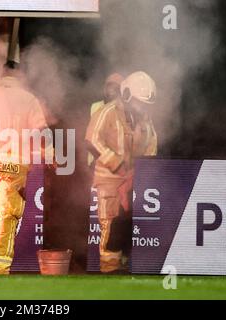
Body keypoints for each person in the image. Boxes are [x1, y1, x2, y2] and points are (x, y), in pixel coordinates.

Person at [0, 62, 48, 275]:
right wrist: (50, 154)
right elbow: (41, 130)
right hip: (14, 166)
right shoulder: (27, 98)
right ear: (19, 77)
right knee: (8, 216)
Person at [85, 71, 158, 273]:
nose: (142, 107)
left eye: (145, 104)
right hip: (109, 180)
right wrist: (117, 164)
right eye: (139, 102)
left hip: (132, 180)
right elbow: (92, 141)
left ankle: (123, 265)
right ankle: (108, 268)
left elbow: (151, 144)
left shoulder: (144, 119)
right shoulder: (108, 112)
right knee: (110, 223)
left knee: (127, 224)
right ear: (126, 95)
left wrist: (143, 169)